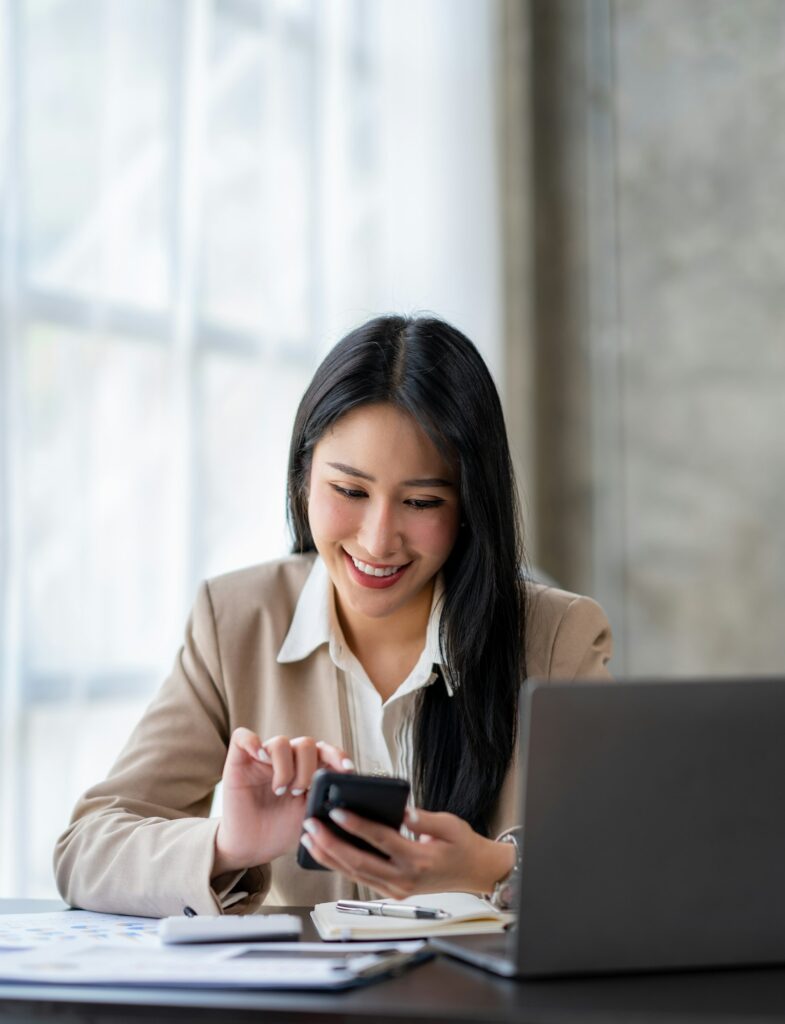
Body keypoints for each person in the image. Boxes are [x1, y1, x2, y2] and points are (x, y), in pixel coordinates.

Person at [54, 314, 612, 918]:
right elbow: (87, 848)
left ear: (472, 506)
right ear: (302, 480)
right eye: (349, 491)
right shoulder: (235, 622)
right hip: (310, 1014)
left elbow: (635, 862)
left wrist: (486, 868)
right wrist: (229, 844)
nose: (377, 540)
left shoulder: (559, 639)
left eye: (422, 501)